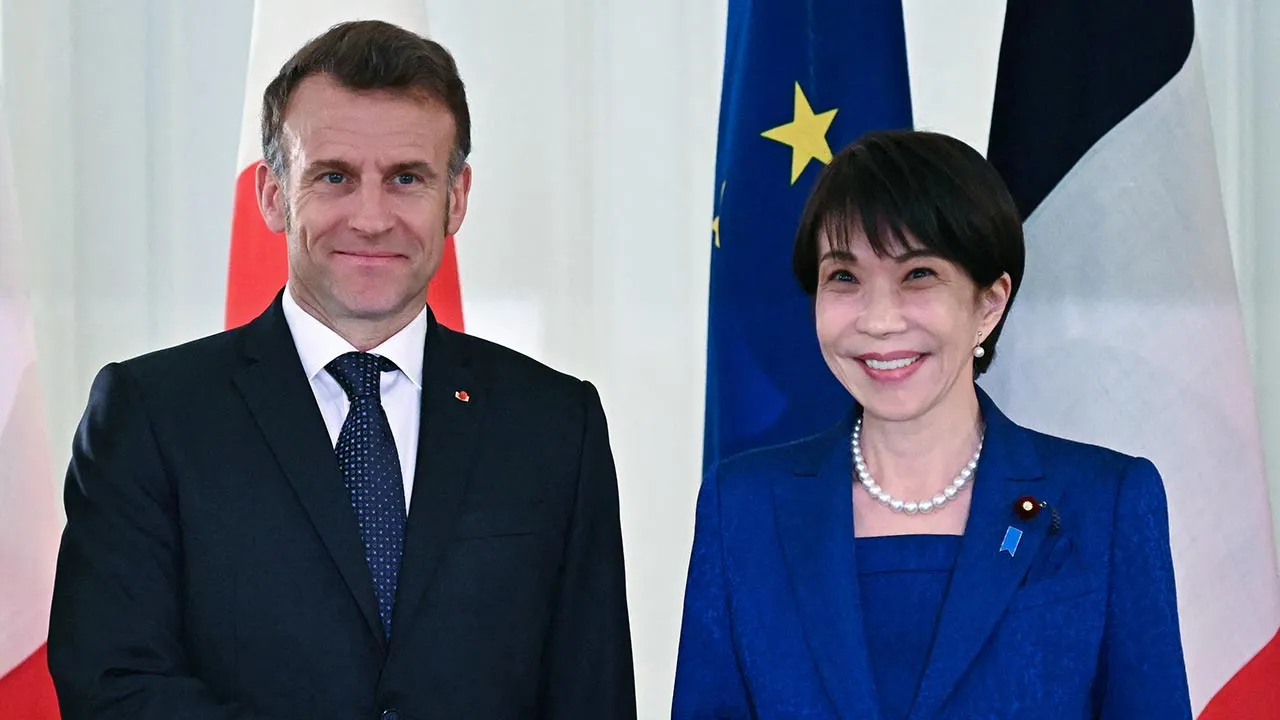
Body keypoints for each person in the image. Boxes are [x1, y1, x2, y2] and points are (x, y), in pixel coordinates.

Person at [47, 20, 636, 720]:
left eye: (407, 179)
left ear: (457, 198)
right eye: (334, 177)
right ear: (273, 194)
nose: (371, 218)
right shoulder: (150, 415)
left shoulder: (554, 424)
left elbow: (592, 693)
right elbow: (114, 688)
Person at [670, 130, 1191, 719]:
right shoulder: (742, 507)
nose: (879, 320)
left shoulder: (1106, 502)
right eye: (844, 277)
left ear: (989, 304)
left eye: (918, 274)